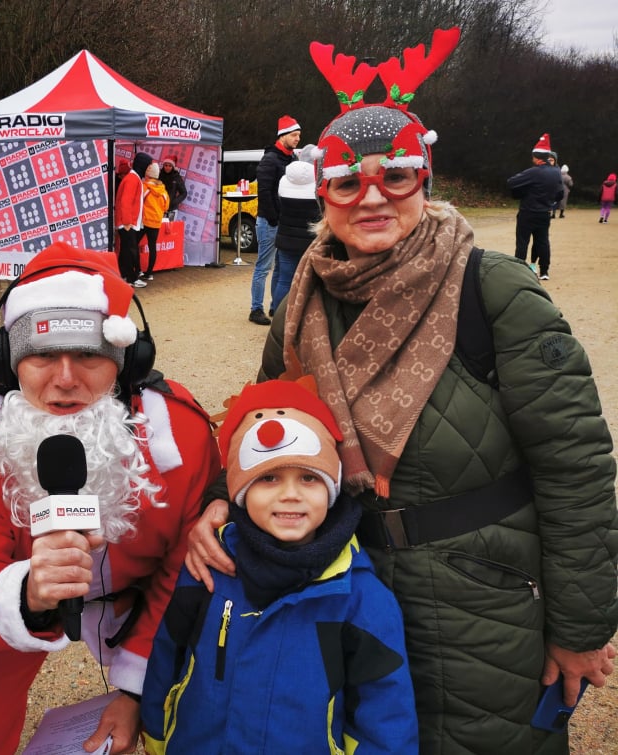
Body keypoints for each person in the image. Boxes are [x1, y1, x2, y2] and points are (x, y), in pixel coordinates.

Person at [186, 27, 618, 754]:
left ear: (426, 177)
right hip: (343, 588)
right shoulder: (303, 300)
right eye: (348, 181)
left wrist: (581, 627)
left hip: (485, 607)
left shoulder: (496, 289)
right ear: (323, 191)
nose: (372, 197)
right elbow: (264, 423)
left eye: (397, 175)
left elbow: (575, 467)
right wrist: (218, 501)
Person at [0, 242, 221, 755]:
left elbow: (182, 571)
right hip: (22, 584)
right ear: (7, 361)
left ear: (127, 360)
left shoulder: (181, 435)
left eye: (88, 355)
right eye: (41, 355)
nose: (64, 381)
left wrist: (135, 688)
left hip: (140, 597)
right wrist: (28, 598)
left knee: (199, 711)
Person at [141, 379, 417, 754]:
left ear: (332, 490)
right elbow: (167, 659)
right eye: (268, 478)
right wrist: (156, 738)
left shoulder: (361, 596)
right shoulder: (209, 566)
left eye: (309, 478)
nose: (290, 494)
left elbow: (385, 713)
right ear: (239, 489)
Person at [250, 115, 301, 325]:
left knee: (280, 265)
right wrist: (273, 219)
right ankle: (255, 309)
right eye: (294, 135)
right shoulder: (269, 159)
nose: (298, 138)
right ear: (283, 136)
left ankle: (275, 306)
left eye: (299, 135)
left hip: (284, 222)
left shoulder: (292, 159)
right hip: (269, 222)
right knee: (263, 266)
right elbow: (264, 192)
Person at [508, 132, 563, 280]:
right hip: (545, 212)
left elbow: (511, 182)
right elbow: (560, 193)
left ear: (538, 158)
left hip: (527, 212)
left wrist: (524, 191)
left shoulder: (533, 172)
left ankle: (519, 271)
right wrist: (550, 202)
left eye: (533, 157)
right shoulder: (557, 173)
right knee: (543, 242)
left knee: (522, 242)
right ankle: (544, 271)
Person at [270, 157, 321, 313]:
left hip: (286, 239)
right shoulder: (316, 186)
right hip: (310, 240)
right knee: (311, 281)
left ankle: (278, 317)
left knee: (284, 280)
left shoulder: (284, 182)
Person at [115, 152, 152, 287]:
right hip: (127, 222)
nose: (148, 169)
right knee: (130, 250)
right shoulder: (132, 179)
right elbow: (126, 201)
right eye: (148, 166)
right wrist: (126, 222)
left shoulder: (133, 178)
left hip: (127, 222)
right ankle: (131, 278)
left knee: (126, 249)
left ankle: (124, 275)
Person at [141, 161, 170, 280]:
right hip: (156, 222)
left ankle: (137, 270)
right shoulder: (163, 190)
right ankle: (149, 273)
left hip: (145, 221)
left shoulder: (145, 187)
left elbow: (139, 202)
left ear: (148, 174)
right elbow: (166, 206)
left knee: (134, 244)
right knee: (152, 247)